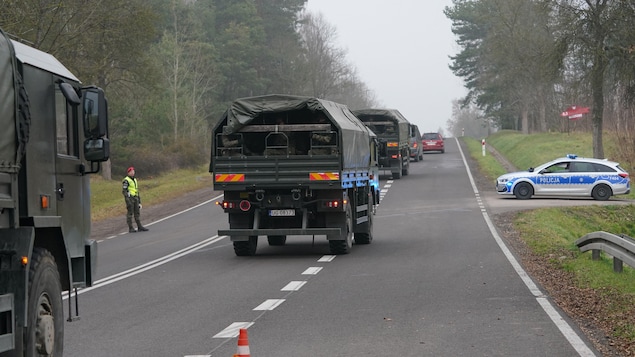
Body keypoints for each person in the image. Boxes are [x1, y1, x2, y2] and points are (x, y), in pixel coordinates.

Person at [122, 166, 149, 233]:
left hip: (135, 197)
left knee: (137, 212)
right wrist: (127, 200)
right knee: (130, 213)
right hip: (130, 198)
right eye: (131, 172)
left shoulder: (135, 179)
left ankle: (139, 226)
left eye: (133, 171)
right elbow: (124, 191)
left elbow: (136, 190)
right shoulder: (126, 180)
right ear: (128, 173)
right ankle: (130, 227)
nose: (133, 173)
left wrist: (139, 200)